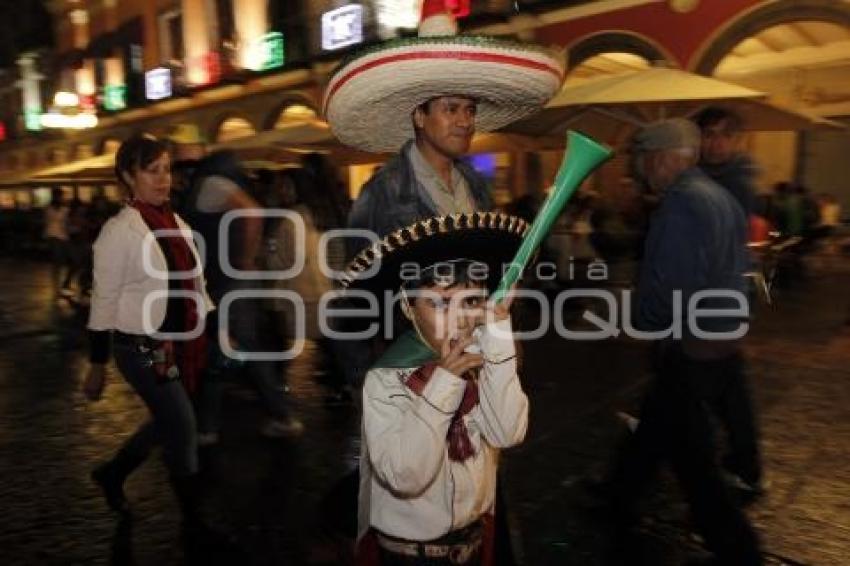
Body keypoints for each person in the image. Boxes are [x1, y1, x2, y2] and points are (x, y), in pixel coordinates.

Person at [609, 119, 763, 565]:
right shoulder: (722, 199)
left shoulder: (680, 206)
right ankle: (620, 492)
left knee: (694, 459)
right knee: (659, 424)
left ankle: (738, 546)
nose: (643, 171)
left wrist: (642, 320)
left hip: (688, 342)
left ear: (661, 158)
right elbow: (742, 267)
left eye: (644, 161)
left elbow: (673, 288)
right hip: (720, 336)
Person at [341, 211, 531, 566]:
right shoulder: (385, 381)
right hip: (413, 556)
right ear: (408, 307)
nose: (460, 318)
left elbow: (507, 433)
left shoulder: (484, 363)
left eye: (472, 301)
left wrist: (501, 346)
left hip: (473, 544)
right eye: (441, 302)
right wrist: (443, 385)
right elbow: (405, 476)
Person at [81, 135, 219, 541]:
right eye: (151, 170)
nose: (163, 179)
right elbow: (103, 299)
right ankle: (194, 525)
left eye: (166, 169)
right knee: (182, 423)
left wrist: (212, 330)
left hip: (176, 343)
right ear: (128, 176)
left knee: (169, 421)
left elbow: (197, 284)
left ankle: (112, 473)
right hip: (139, 345)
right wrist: (97, 363)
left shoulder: (177, 223)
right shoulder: (118, 231)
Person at [182, 149, 303, 441]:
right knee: (236, 345)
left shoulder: (212, 184)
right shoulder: (223, 182)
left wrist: (245, 259)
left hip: (229, 279)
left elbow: (252, 214)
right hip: (232, 279)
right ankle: (218, 424)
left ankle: (211, 426)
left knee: (228, 345)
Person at [695, 106, 759, 217]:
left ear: (737, 140)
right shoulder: (685, 174)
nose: (717, 143)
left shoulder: (740, 185)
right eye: (709, 135)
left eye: (727, 136)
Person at [43, 187, 71, 297]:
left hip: (62, 235)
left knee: (61, 260)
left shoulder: (62, 208)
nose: (61, 197)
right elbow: (49, 222)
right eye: (59, 195)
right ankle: (57, 286)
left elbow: (65, 222)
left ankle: (60, 285)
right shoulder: (51, 208)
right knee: (58, 261)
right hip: (54, 235)